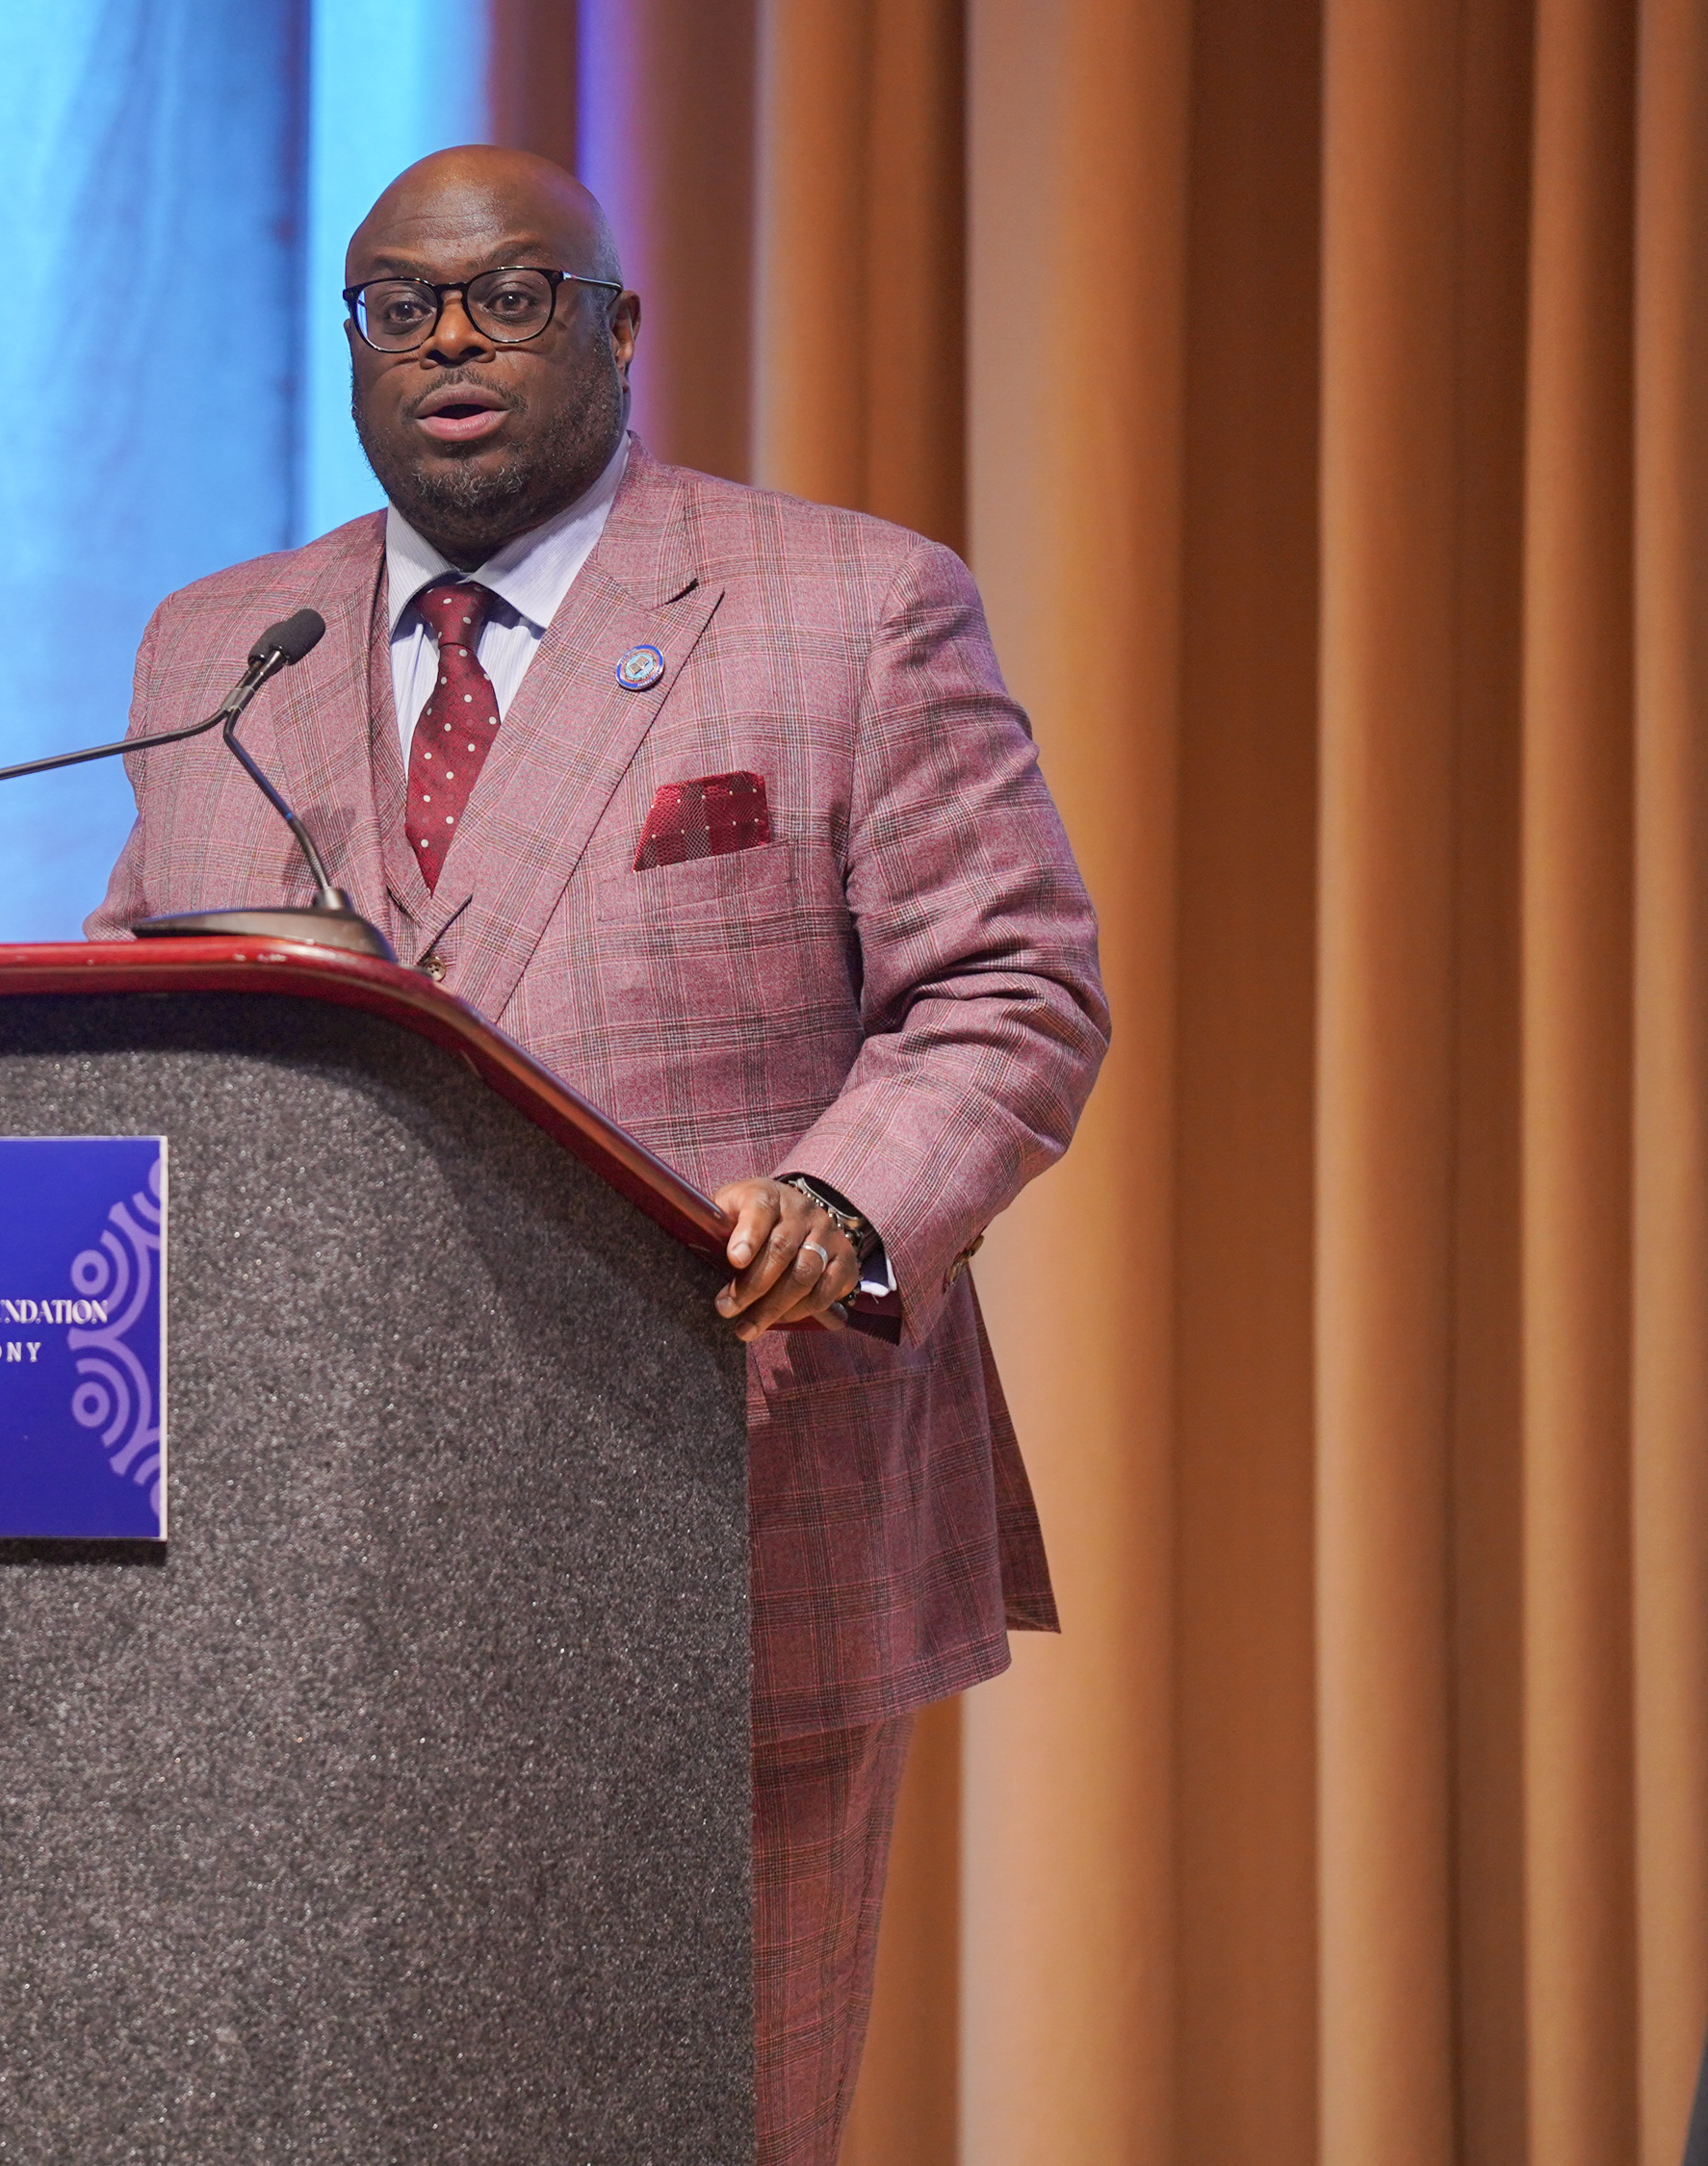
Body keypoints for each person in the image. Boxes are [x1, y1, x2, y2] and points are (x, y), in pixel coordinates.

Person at [90, 146, 1107, 2166]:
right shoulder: (224, 644)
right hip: (314, 1571)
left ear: (621, 327)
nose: (447, 341)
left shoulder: (843, 606)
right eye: (396, 303)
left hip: (720, 1507)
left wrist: (843, 1192)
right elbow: (140, 1014)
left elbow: (1009, 985)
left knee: (691, 2116)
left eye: (509, 293)